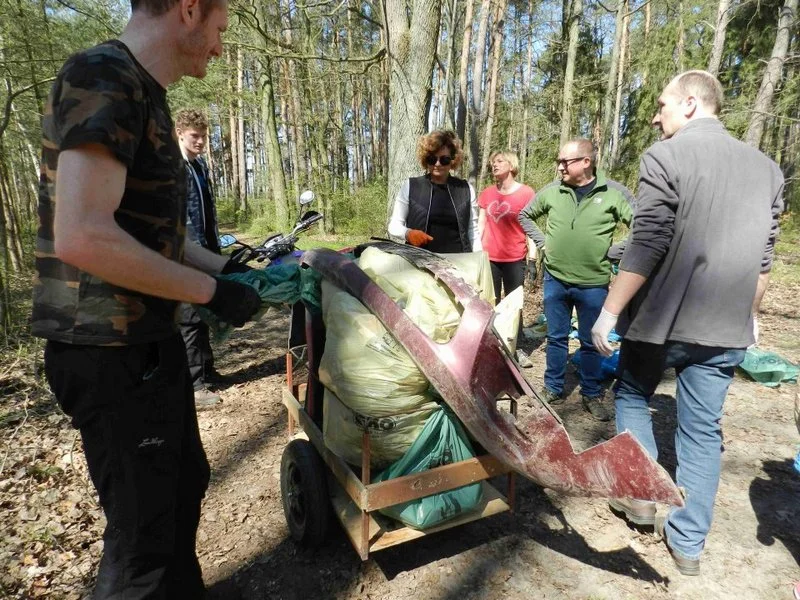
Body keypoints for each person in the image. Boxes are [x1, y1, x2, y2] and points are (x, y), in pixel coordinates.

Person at [31, 0, 261, 597]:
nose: (218, 45)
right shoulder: (104, 77)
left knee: (184, 486)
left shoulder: (147, 92)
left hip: (148, 344)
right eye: (219, 27)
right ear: (188, 10)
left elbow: (155, 239)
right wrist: (212, 293)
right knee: (143, 543)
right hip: (107, 350)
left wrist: (233, 268)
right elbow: (82, 234)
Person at [591, 70, 783, 576]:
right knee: (702, 430)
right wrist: (750, 315)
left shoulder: (666, 156)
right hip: (725, 328)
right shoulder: (767, 169)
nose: (656, 116)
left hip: (662, 322)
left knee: (632, 395)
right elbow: (764, 258)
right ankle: (689, 544)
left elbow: (648, 240)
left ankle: (642, 500)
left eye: (662, 105)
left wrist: (610, 311)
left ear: (692, 104)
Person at [518, 138, 633, 421]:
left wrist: (615, 252)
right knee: (556, 337)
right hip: (555, 280)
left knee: (591, 340)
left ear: (586, 162)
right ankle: (553, 388)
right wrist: (543, 242)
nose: (559, 167)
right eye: (559, 161)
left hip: (593, 283)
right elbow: (525, 215)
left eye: (565, 162)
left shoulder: (614, 193)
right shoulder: (553, 191)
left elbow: (643, 226)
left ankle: (591, 394)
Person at [176, 108, 226, 408]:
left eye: (204, 136)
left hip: (207, 250)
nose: (201, 142)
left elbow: (208, 211)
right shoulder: (173, 167)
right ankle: (194, 386)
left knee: (206, 309)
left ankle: (207, 370)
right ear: (180, 133)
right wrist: (195, 256)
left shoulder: (200, 166)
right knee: (190, 318)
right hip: (185, 255)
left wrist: (215, 250)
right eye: (195, 136)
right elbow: (180, 219)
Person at [477, 150, 536, 366]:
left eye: (499, 161)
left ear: (512, 165)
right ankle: (491, 347)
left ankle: (516, 348)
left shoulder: (527, 193)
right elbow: (481, 225)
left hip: (514, 259)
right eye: (493, 162)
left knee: (514, 306)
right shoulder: (487, 194)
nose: (494, 165)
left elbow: (530, 228)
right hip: (489, 258)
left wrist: (532, 258)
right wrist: (477, 253)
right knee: (489, 304)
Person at [388, 130, 481, 254]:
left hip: (459, 262)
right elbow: (394, 226)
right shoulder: (411, 186)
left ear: (453, 160)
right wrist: (408, 234)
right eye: (432, 159)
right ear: (426, 160)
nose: (437, 164)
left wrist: (479, 259)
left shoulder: (465, 189)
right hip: (419, 262)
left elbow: (473, 230)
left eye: (444, 160)